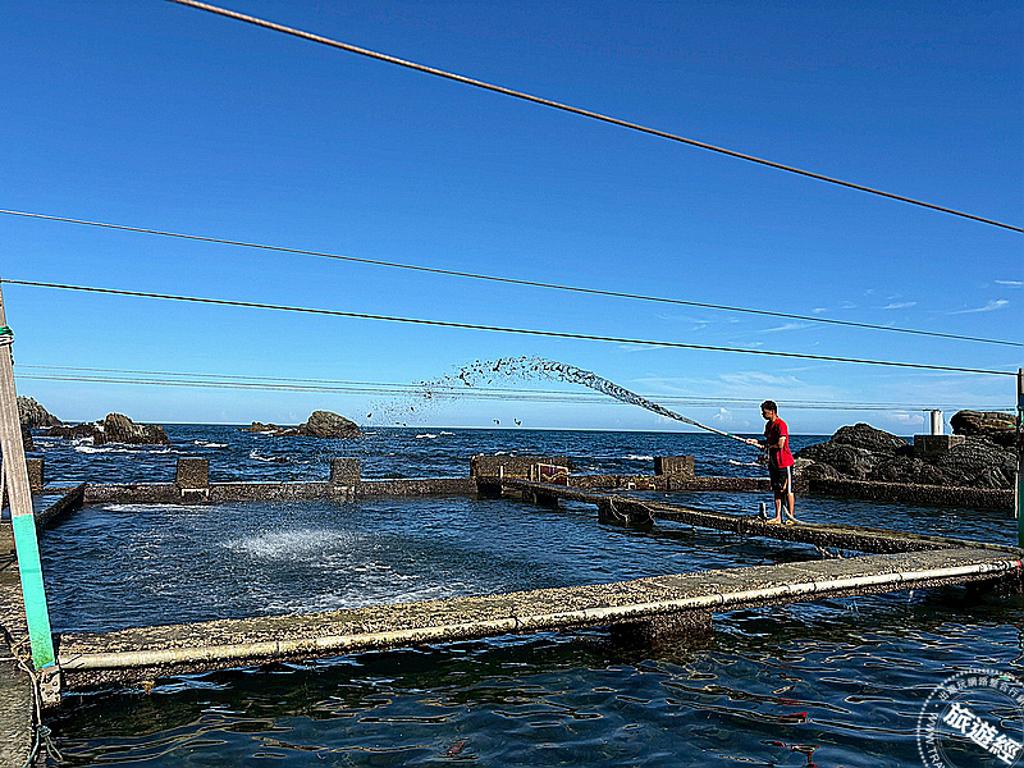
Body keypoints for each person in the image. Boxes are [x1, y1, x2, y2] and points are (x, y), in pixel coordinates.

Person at [744, 400, 796, 524]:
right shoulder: (768, 426)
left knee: (787, 490)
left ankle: (791, 517)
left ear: (772, 411)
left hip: (785, 463)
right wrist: (755, 442)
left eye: (764, 412)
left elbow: (780, 444)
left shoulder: (781, 425)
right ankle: (778, 517)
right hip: (773, 463)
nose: (762, 414)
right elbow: (767, 442)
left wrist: (766, 447)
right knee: (776, 490)